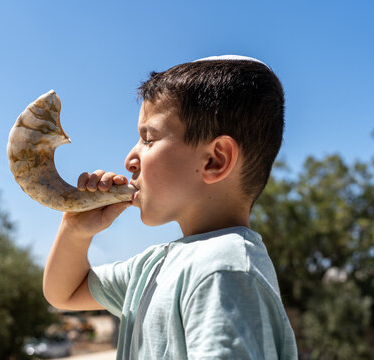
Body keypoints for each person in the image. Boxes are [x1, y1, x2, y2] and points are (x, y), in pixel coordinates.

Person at [43, 55, 298, 359]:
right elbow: (65, 293)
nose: (129, 160)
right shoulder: (152, 267)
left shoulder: (223, 270)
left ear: (214, 160)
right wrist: (74, 230)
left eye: (148, 138)